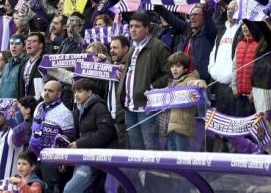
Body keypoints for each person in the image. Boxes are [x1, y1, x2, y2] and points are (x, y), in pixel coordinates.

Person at [117, 12, 170, 151]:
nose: (133, 29)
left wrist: (151, 87)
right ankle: (140, 174)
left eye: (137, 26)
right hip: (129, 107)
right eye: (131, 26)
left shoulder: (159, 47)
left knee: (151, 147)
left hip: (147, 108)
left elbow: (170, 73)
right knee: (135, 149)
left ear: (147, 28)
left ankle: (153, 173)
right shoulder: (133, 47)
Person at [63, 79, 117, 193]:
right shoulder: (78, 110)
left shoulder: (99, 107)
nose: (76, 95)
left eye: (80, 91)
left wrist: (79, 144)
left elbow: (105, 134)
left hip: (97, 158)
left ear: (90, 92)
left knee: (70, 190)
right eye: (75, 92)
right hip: (83, 156)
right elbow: (77, 135)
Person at [164, 53, 207, 152]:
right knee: (172, 158)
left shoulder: (189, 79)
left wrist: (199, 83)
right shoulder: (172, 84)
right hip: (170, 128)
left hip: (183, 128)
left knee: (183, 157)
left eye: (178, 66)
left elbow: (194, 82)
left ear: (185, 69)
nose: (174, 69)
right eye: (172, 66)